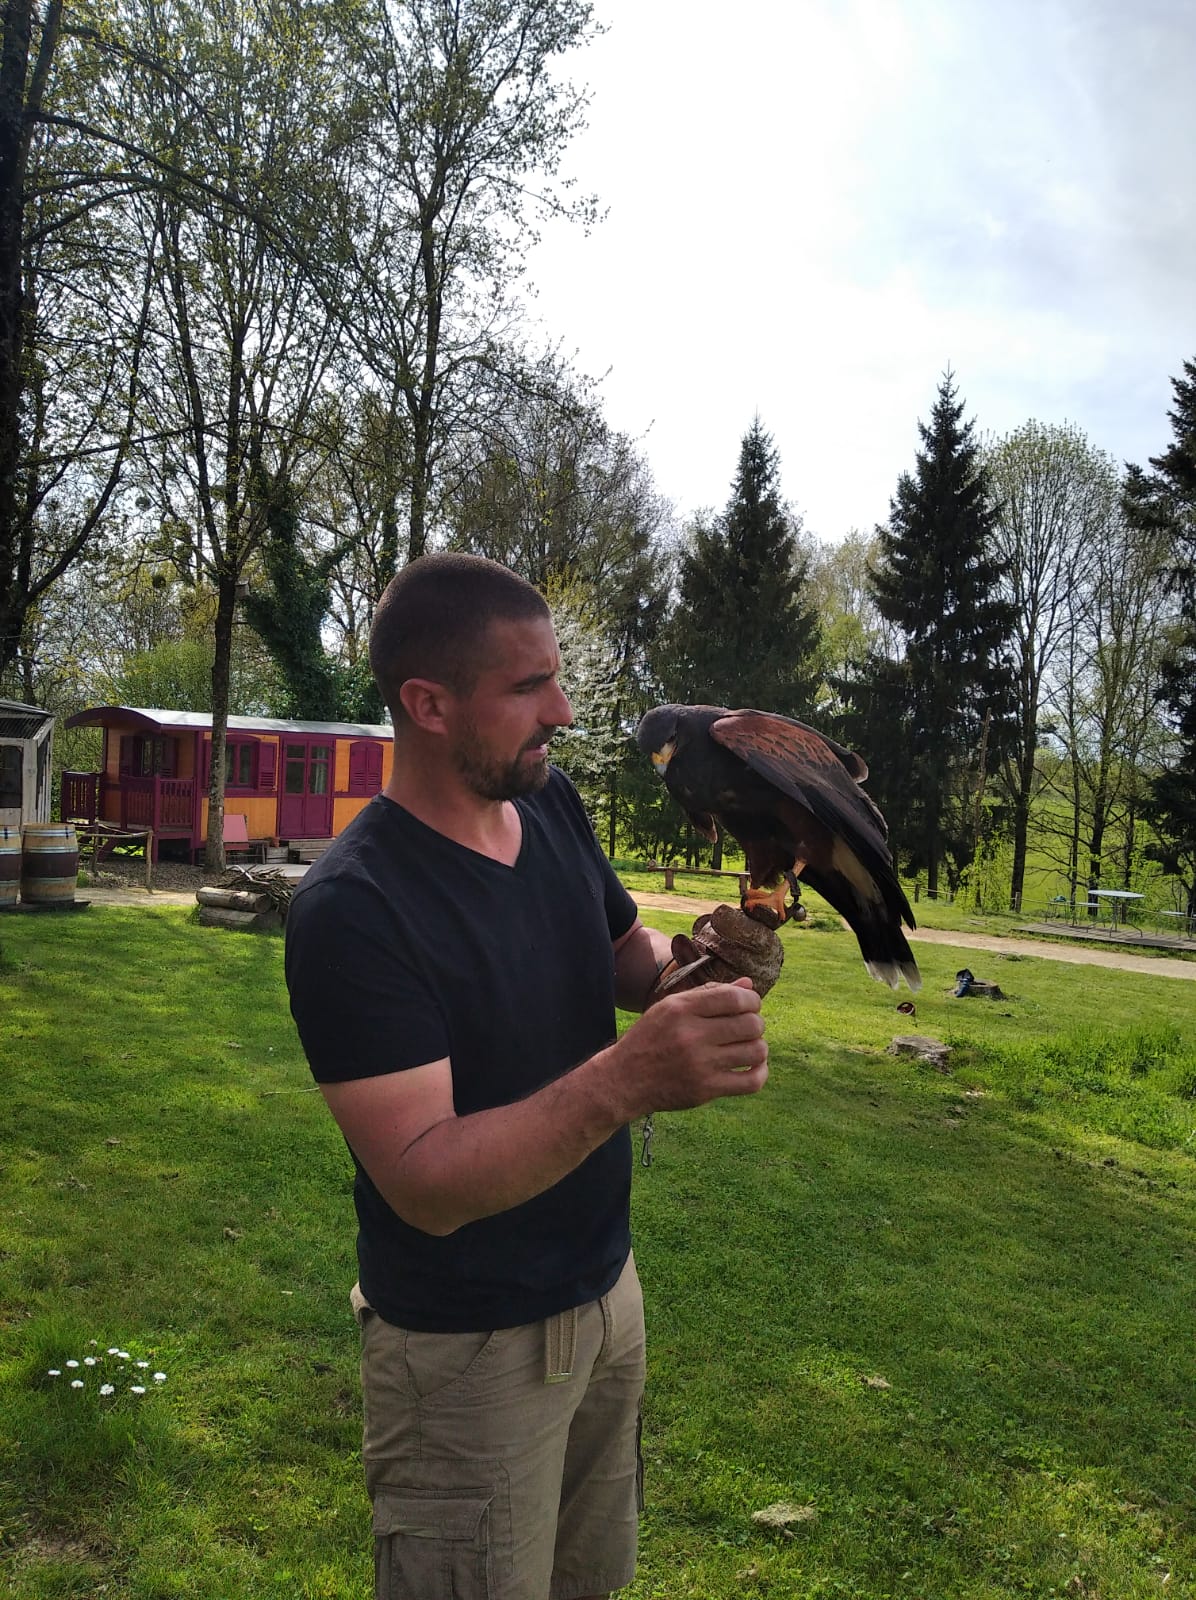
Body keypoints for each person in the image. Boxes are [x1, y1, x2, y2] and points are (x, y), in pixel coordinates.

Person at [285, 553, 769, 1600]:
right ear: (428, 705)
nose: (562, 710)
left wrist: (699, 968)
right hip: (466, 1351)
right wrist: (626, 1078)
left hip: (606, 1297)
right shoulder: (353, 909)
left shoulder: (549, 807)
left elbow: (622, 951)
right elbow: (424, 1180)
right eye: (528, 686)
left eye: (556, 677)